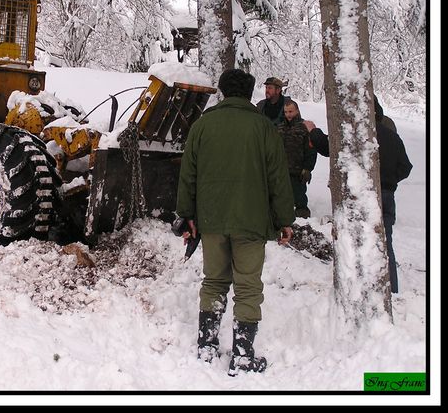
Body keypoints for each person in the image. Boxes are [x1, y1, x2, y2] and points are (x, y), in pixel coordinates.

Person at [176, 68, 295, 376]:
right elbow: (278, 178)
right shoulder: (263, 127)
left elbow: (188, 175)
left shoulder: (202, 126)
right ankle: (242, 354)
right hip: (251, 220)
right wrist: (284, 220)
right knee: (247, 286)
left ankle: (207, 344)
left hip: (212, 219)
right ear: (249, 92)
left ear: (223, 91)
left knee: (214, 280)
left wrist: (187, 216)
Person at [302, 99, 412, 293]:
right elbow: (405, 168)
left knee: (355, 243)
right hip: (387, 195)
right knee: (385, 244)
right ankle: (391, 290)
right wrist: (387, 182)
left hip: (361, 193)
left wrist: (312, 131)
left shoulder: (357, 133)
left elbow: (329, 147)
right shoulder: (392, 137)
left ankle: (358, 288)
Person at [278, 99, 317, 219]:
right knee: (280, 197)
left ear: (297, 111)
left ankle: (303, 220)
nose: (288, 114)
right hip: (281, 170)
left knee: (299, 197)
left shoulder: (304, 127)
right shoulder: (279, 128)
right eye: (286, 112)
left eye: (291, 111)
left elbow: (311, 150)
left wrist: (307, 168)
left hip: (298, 171)